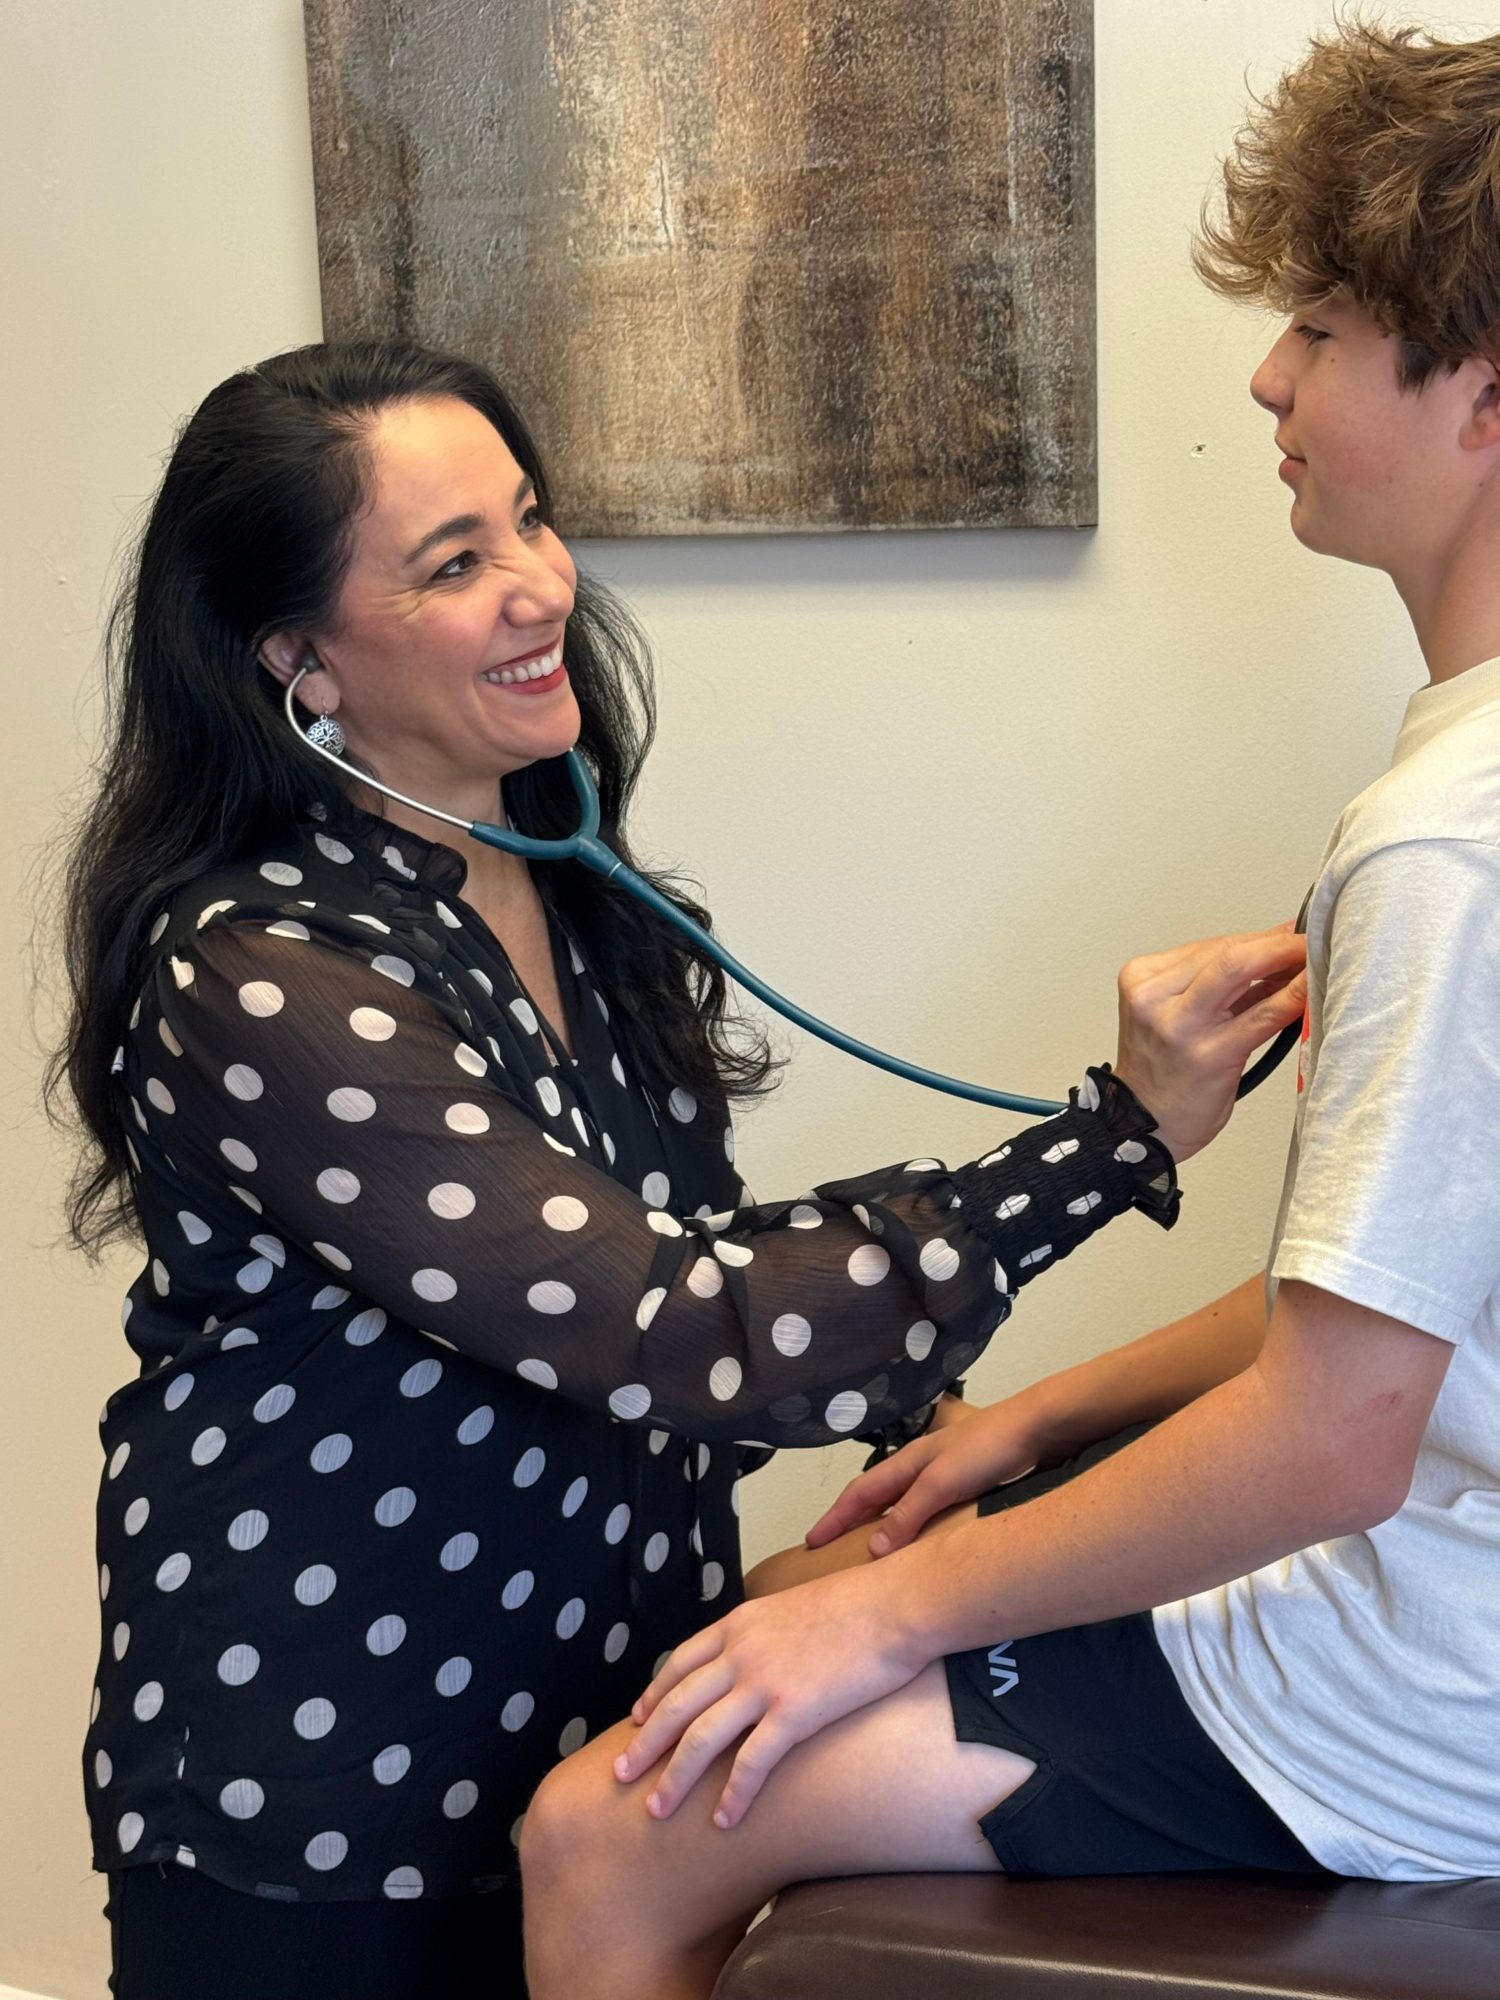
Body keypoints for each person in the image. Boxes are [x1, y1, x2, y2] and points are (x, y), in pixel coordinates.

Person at [52, 341, 1301, 1998]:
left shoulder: (566, 887)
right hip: (333, 1772)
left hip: (592, 1720)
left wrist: (949, 1441)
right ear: (300, 660)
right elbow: (664, 1324)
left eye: (531, 519)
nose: (541, 587)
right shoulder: (260, 970)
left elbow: (668, 1262)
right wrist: (1111, 1142)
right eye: (455, 563)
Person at [519, 22, 1500, 1997]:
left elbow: (1335, 1439)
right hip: (1443, 1593)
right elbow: (1388, 1306)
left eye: (1319, 331)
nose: (1269, 378)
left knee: (602, 1825)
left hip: (1423, 1699)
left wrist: (895, 1620)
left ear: (1482, 396)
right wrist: (1028, 1424)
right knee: (807, 1578)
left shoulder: (1446, 844)